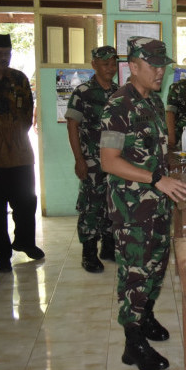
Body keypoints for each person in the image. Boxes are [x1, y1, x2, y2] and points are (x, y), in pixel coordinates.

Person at [100, 37, 186, 370]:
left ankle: (146, 315)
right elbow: (109, 161)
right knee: (136, 270)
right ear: (133, 67)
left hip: (157, 202)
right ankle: (132, 341)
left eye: (162, 65)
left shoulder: (154, 102)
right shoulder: (118, 106)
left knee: (156, 263)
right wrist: (157, 180)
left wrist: (172, 173)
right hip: (130, 207)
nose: (159, 71)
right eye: (152, 65)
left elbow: (158, 151)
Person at [0, 34, 43, 273]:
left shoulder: (19, 79)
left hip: (20, 152)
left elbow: (28, 112)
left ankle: (24, 242)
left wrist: (16, 138)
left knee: (27, 201)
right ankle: (3, 255)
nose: (3, 58)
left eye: (6, 53)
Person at [65, 45, 119, 273]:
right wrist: (79, 159)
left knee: (112, 204)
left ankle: (108, 247)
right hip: (92, 161)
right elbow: (72, 125)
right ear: (94, 65)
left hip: (115, 161)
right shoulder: (83, 92)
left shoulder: (119, 92)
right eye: (105, 64)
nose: (110, 68)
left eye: (113, 63)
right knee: (91, 207)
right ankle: (88, 253)